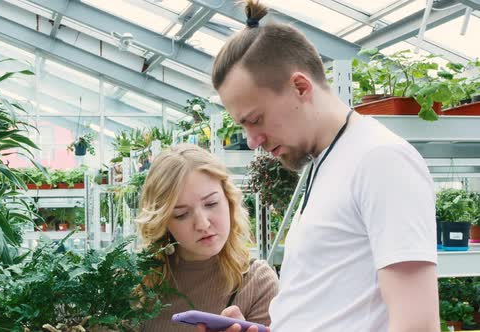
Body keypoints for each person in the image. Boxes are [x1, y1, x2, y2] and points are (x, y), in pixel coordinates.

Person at [208, 1, 440, 331]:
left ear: (300, 87)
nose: (252, 140)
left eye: (255, 120)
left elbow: (416, 324)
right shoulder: (327, 161)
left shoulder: (380, 160)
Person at [136, 144, 279, 332]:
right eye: (181, 214)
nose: (202, 224)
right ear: (162, 222)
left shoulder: (256, 282)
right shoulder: (135, 284)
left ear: (229, 200)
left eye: (211, 203)